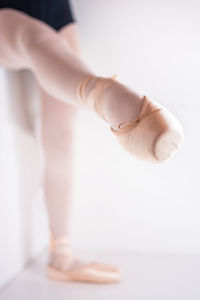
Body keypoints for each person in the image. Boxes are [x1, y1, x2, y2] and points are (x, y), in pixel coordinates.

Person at [0, 0, 184, 284]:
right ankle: (100, 91)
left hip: (54, 7)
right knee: (34, 40)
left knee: (62, 135)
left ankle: (61, 255)